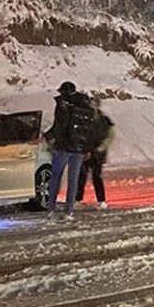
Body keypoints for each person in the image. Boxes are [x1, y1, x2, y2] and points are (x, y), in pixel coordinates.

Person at [43, 81, 98, 220]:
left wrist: (48, 137)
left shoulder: (63, 104)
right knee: (73, 180)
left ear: (63, 92)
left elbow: (60, 125)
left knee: (56, 177)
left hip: (62, 147)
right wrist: (87, 149)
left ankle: (51, 209)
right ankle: (68, 212)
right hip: (78, 149)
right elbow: (90, 131)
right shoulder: (86, 106)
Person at [76, 98, 115, 210]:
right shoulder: (83, 120)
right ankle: (78, 199)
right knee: (81, 176)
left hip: (97, 154)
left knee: (96, 176)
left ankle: (101, 200)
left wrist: (100, 149)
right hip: (85, 152)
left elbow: (110, 136)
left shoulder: (103, 120)